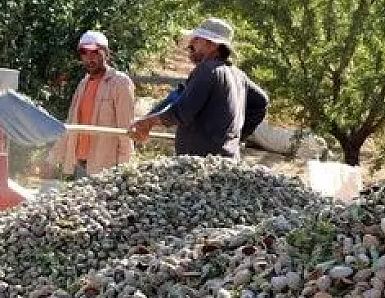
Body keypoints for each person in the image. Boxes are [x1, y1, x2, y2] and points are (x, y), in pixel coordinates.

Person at [132, 17, 268, 158]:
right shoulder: (238, 75)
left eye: (197, 39)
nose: (190, 44)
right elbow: (261, 101)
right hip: (227, 160)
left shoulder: (207, 69)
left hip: (202, 164)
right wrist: (235, 137)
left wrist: (147, 122)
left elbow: (181, 112)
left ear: (213, 44)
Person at [52, 30, 136, 178]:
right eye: (84, 53)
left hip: (107, 168)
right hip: (80, 164)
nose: (89, 58)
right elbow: (70, 124)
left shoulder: (120, 83)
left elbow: (126, 129)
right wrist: (52, 159)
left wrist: (125, 170)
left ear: (106, 53)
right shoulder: (83, 84)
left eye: (95, 52)